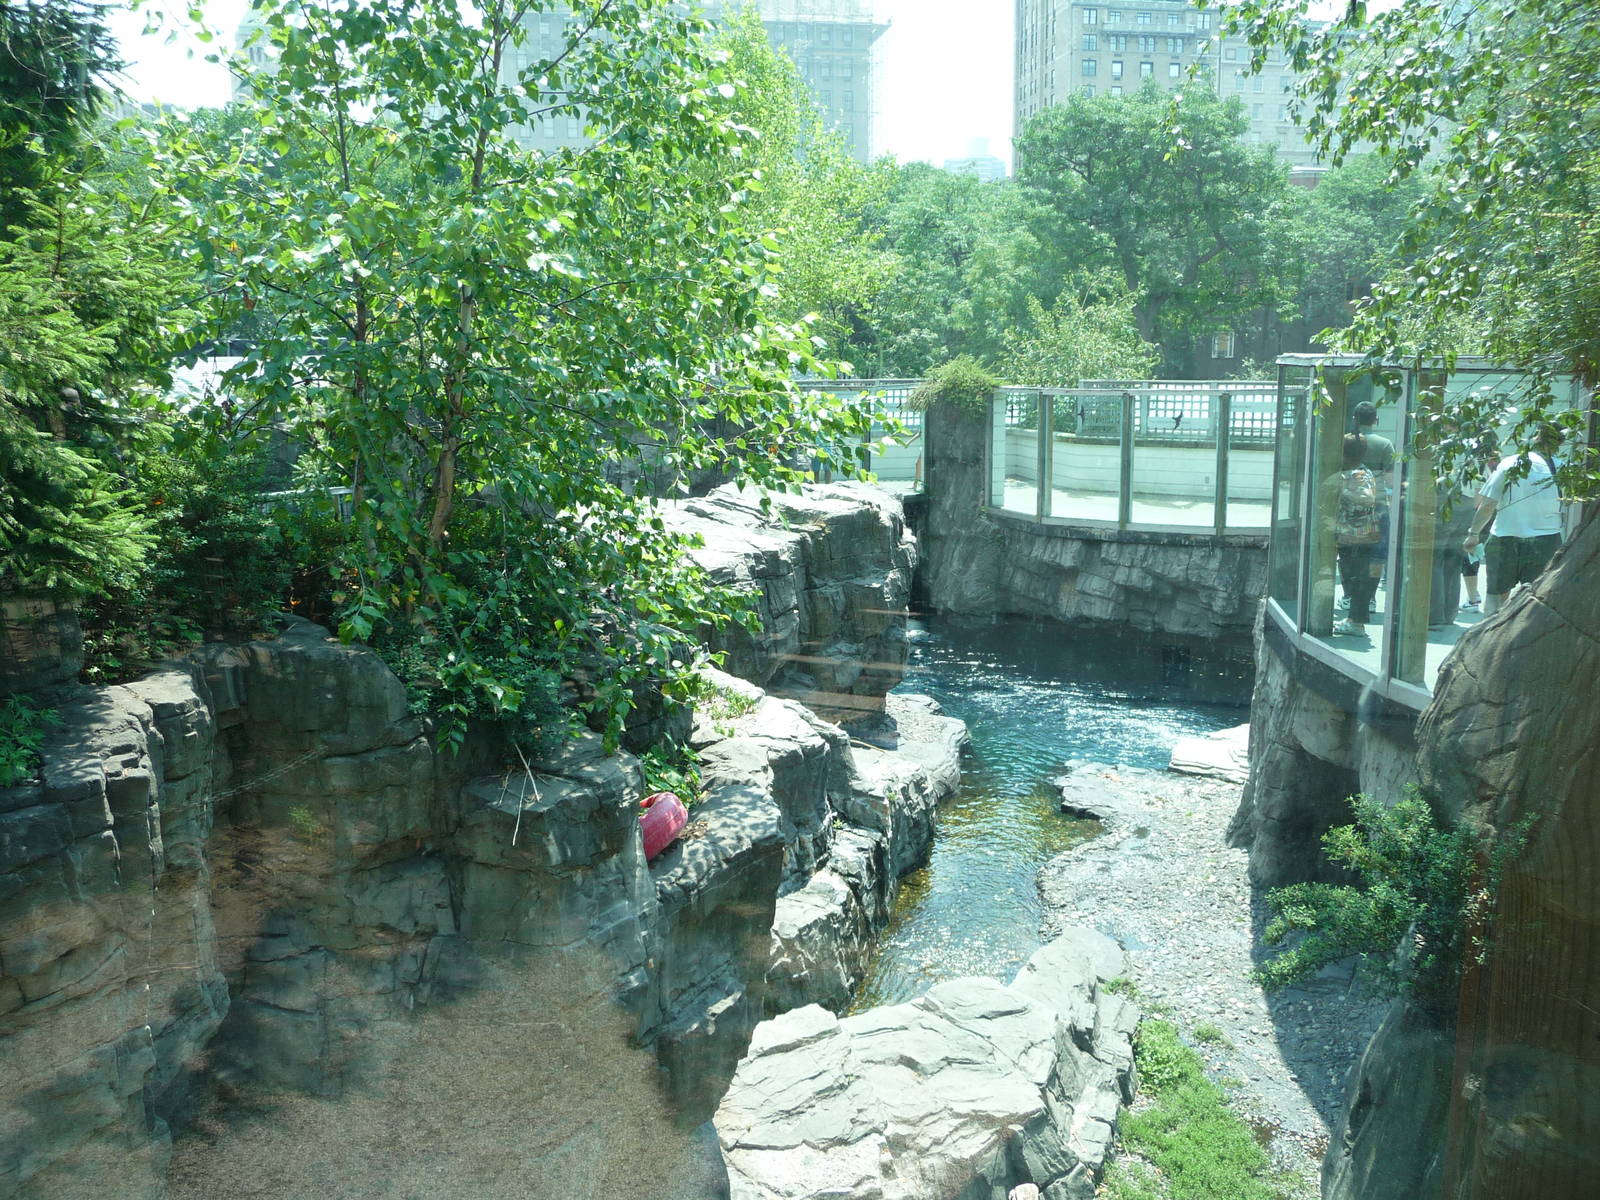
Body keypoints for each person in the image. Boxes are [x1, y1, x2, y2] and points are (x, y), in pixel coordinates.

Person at [1463, 441, 1563, 615]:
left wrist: (1473, 533)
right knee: (1536, 601)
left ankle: (1490, 636)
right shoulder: (1560, 467)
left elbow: (1488, 504)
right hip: (1545, 540)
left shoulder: (1510, 462)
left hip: (1504, 537)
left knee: (1495, 597)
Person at [1323, 433, 1382, 638]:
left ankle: (1356, 622)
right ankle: (1354, 619)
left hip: (1355, 536)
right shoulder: (1361, 471)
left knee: (1357, 580)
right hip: (1361, 535)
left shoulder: (1355, 475)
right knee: (1357, 579)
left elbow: (1365, 498)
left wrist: (1342, 490)